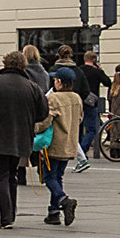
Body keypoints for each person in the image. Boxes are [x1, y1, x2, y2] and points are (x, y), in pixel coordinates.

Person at [0, 49, 48, 230]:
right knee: (12, 174)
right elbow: (43, 112)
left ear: (5, 63)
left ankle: (4, 217)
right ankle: (11, 213)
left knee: (0, 175)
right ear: (23, 65)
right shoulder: (32, 86)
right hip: (22, 137)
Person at [39, 68, 84, 226]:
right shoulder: (76, 97)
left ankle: (64, 200)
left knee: (48, 177)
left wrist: (34, 129)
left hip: (55, 144)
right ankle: (53, 212)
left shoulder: (54, 98)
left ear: (60, 82)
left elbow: (46, 121)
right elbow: (80, 118)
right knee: (58, 176)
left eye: (56, 80)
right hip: (70, 143)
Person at [73, 50, 108, 167]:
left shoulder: (78, 70)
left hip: (78, 101)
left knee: (78, 127)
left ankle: (78, 150)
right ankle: (82, 150)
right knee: (92, 129)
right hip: (91, 103)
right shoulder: (96, 72)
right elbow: (108, 82)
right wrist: (100, 70)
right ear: (94, 60)